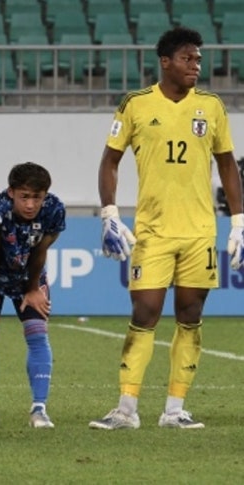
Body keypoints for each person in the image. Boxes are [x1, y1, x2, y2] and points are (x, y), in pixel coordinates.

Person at [89, 26, 244, 430]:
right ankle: (125, 409)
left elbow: (227, 163)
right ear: (166, 61)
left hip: (198, 232)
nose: (196, 65)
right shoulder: (136, 105)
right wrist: (109, 212)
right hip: (153, 232)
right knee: (145, 312)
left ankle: (175, 409)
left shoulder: (210, 107)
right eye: (187, 58)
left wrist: (239, 222)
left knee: (190, 315)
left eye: (198, 59)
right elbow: (110, 160)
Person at [0, 162, 65, 429]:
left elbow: (41, 250)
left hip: (29, 266)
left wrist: (33, 288)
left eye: (37, 197)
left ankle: (39, 409)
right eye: (25, 196)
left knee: (37, 332)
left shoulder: (54, 209)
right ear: (11, 192)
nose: (31, 204)